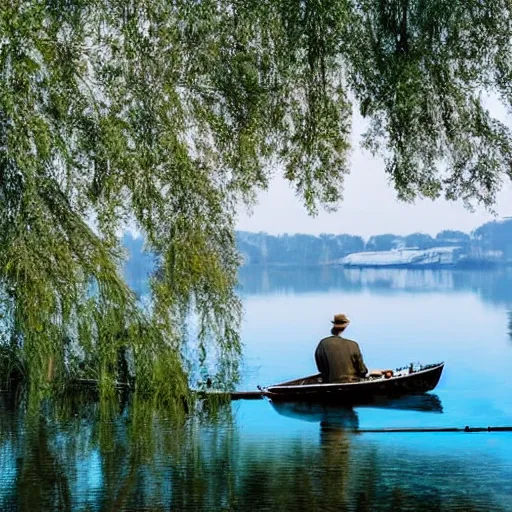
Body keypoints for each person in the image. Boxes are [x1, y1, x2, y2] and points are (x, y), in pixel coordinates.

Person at [315, 313, 368, 383]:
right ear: (345, 327)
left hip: (330, 382)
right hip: (352, 382)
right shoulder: (353, 345)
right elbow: (362, 371)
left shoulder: (323, 343)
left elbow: (321, 368)